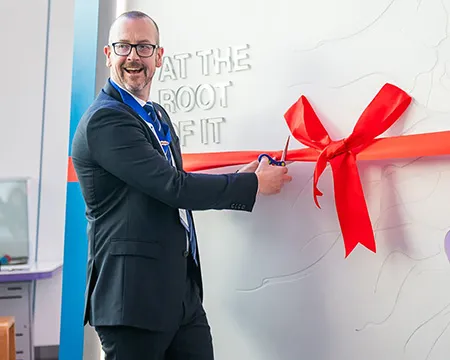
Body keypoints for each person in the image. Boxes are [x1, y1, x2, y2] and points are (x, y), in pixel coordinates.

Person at [71, 10, 292, 360]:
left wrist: (245, 174)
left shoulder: (156, 115)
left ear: (159, 57)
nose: (133, 56)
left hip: (179, 292)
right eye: (124, 46)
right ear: (108, 54)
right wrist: (250, 185)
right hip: (132, 299)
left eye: (144, 47)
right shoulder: (106, 120)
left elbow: (170, 187)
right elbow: (171, 186)